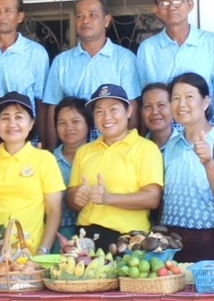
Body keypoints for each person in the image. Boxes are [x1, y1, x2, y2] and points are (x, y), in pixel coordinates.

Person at [0, 92, 65, 251]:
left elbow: (54, 211)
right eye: (5, 118)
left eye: (19, 117)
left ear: (31, 124)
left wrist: (43, 250)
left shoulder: (45, 159)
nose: (12, 123)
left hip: (30, 253)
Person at [67, 84, 163, 250]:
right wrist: (77, 197)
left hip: (128, 239)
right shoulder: (84, 151)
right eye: (99, 112)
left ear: (129, 111)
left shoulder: (145, 148)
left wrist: (108, 199)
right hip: (85, 239)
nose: (107, 117)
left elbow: (152, 198)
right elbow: (70, 198)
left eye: (113, 109)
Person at [159, 72, 214, 263]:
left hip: (212, 243)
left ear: (205, 102)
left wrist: (209, 163)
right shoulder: (172, 144)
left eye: (189, 97)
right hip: (174, 246)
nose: (181, 104)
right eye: (176, 98)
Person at [40, 0, 140, 146]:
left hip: (114, 146)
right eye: (80, 16)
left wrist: (131, 149)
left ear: (106, 20)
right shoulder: (62, 61)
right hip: (73, 146)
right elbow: (53, 108)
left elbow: (131, 106)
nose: (85, 20)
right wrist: (52, 152)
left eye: (92, 15)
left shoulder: (125, 59)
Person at [136, 0, 214, 124]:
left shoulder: (212, 43)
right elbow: (144, 98)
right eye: (164, 2)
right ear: (157, 11)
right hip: (163, 135)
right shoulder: (147, 49)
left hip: (205, 133)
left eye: (178, 0)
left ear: (190, 5)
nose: (172, 7)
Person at [50, 97, 90, 243]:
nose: (69, 128)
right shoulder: (49, 161)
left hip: (93, 231)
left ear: (88, 123)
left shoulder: (101, 157)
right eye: (62, 123)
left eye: (76, 121)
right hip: (58, 235)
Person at [139, 82, 173, 150]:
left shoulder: (189, 146)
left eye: (161, 105)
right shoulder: (137, 149)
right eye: (148, 106)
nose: (154, 112)